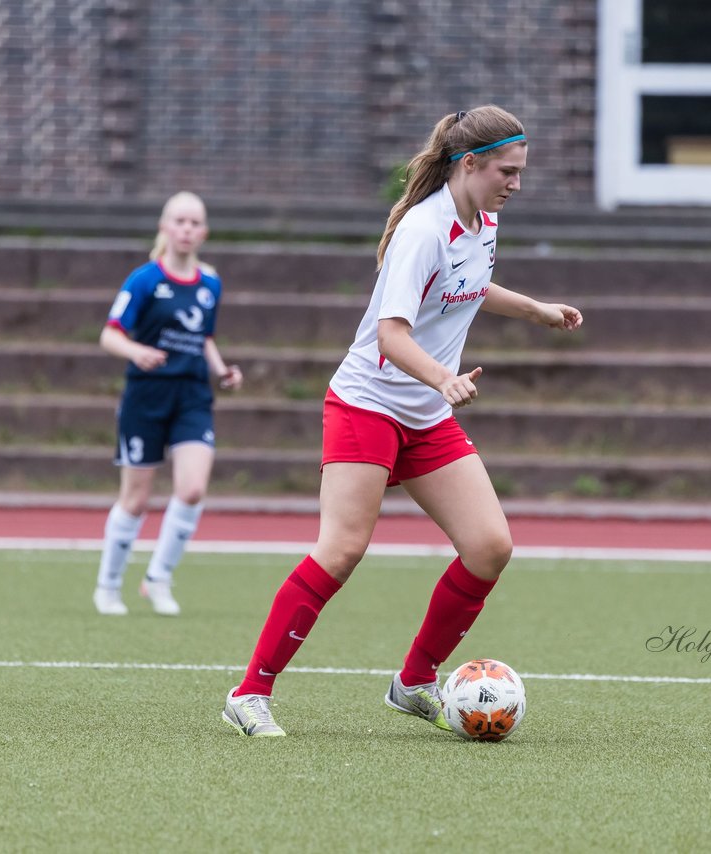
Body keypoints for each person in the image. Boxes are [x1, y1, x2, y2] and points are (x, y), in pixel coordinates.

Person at [221, 105, 583, 737]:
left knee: (490, 547)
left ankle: (414, 680)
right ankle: (249, 694)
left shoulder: (483, 220)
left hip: (425, 414)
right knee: (342, 550)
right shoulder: (423, 229)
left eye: (521, 172)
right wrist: (443, 377)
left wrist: (536, 311)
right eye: (507, 170)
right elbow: (390, 336)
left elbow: (471, 286)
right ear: (469, 164)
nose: (516, 184)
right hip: (369, 404)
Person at [92, 191, 242, 617]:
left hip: (192, 395)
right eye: (179, 221)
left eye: (194, 223)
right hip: (146, 397)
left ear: (204, 233)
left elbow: (204, 338)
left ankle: (158, 578)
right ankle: (108, 585)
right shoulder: (144, 280)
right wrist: (135, 352)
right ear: (165, 228)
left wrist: (222, 370)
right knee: (136, 499)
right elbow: (110, 334)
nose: (187, 229)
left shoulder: (211, 283)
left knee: (192, 489)